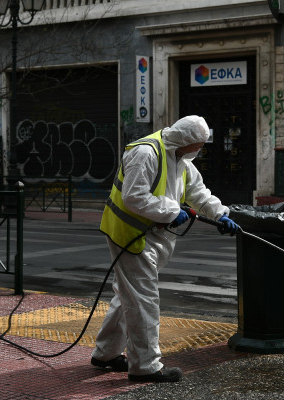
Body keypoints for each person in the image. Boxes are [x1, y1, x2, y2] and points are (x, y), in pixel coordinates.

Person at [91, 115, 240, 383]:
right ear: (185, 140)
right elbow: (134, 196)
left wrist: (221, 215)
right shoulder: (145, 153)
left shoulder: (181, 159)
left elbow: (198, 193)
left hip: (150, 235)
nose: (200, 150)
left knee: (129, 295)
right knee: (144, 300)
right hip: (130, 234)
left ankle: (106, 353)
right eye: (198, 144)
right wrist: (172, 211)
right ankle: (146, 366)